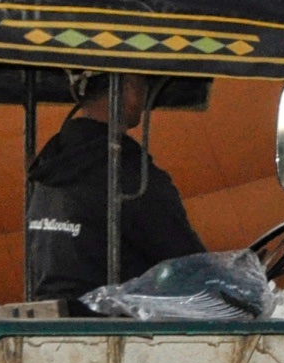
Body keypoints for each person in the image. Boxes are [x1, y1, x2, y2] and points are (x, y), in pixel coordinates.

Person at [25, 74, 207, 307]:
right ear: (130, 87)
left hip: (52, 324)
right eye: (145, 84)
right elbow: (187, 263)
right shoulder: (132, 174)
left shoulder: (49, 168)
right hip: (117, 331)